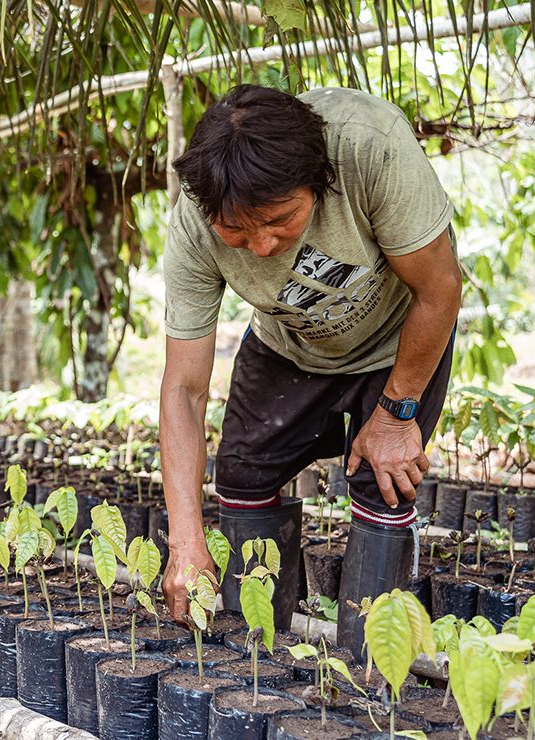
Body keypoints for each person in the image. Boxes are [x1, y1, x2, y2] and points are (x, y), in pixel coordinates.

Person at [157, 84, 462, 658]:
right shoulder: (194, 229)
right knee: (243, 473)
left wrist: (396, 416)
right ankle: (257, 657)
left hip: (402, 337)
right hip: (288, 341)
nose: (263, 245)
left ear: (318, 185)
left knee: (384, 482)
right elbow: (184, 389)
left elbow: (440, 290)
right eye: (237, 232)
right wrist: (185, 539)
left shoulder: (369, 148)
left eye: (280, 220)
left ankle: (368, 672)